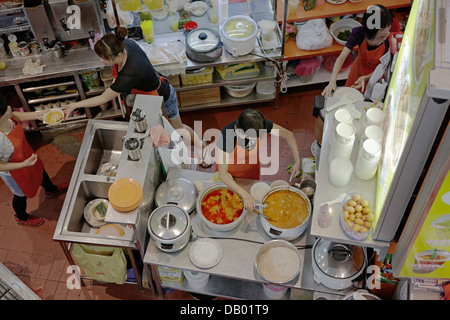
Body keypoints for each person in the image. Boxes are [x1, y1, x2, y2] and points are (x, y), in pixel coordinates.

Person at [64, 27, 211, 166]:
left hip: (163, 97)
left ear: (119, 55)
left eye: (105, 59)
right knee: (161, 131)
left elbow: (103, 98)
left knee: (178, 128)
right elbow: (118, 80)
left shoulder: (130, 73)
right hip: (149, 95)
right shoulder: (126, 44)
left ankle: (202, 145)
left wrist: (74, 105)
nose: (102, 61)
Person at [0, 95, 68, 227]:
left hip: (27, 157)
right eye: (6, 109)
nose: (10, 108)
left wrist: (38, 115)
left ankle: (50, 190)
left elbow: (15, 115)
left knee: (40, 171)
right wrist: (23, 164)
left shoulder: (7, 117)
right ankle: (21, 217)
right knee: (21, 195)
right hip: (14, 172)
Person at [216, 109, 301, 211]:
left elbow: (288, 135)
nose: (252, 140)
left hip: (251, 169)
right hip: (230, 172)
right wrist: (245, 194)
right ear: (239, 131)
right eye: (249, 137)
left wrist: (298, 161)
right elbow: (223, 174)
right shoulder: (226, 136)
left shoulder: (257, 125)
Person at [322, 5, 399, 97]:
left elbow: (385, 69)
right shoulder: (358, 33)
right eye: (383, 29)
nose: (388, 31)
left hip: (375, 74)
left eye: (389, 27)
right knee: (350, 95)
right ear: (372, 30)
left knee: (369, 98)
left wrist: (366, 78)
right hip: (358, 69)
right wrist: (332, 81)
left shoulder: (388, 41)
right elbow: (342, 57)